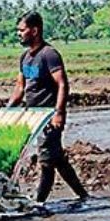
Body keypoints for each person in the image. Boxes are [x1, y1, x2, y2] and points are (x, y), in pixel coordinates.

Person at [6, 11, 88, 203]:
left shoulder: (49, 54)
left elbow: (62, 84)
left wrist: (59, 113)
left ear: (34, 31)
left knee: (46, 162)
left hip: (49, 116)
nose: (19, 34)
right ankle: (83, 196)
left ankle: (39, 203)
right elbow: (20, 88)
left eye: (22, 30)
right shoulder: (25, 57)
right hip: (34, 116)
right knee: (57, 158)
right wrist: (7, 111)